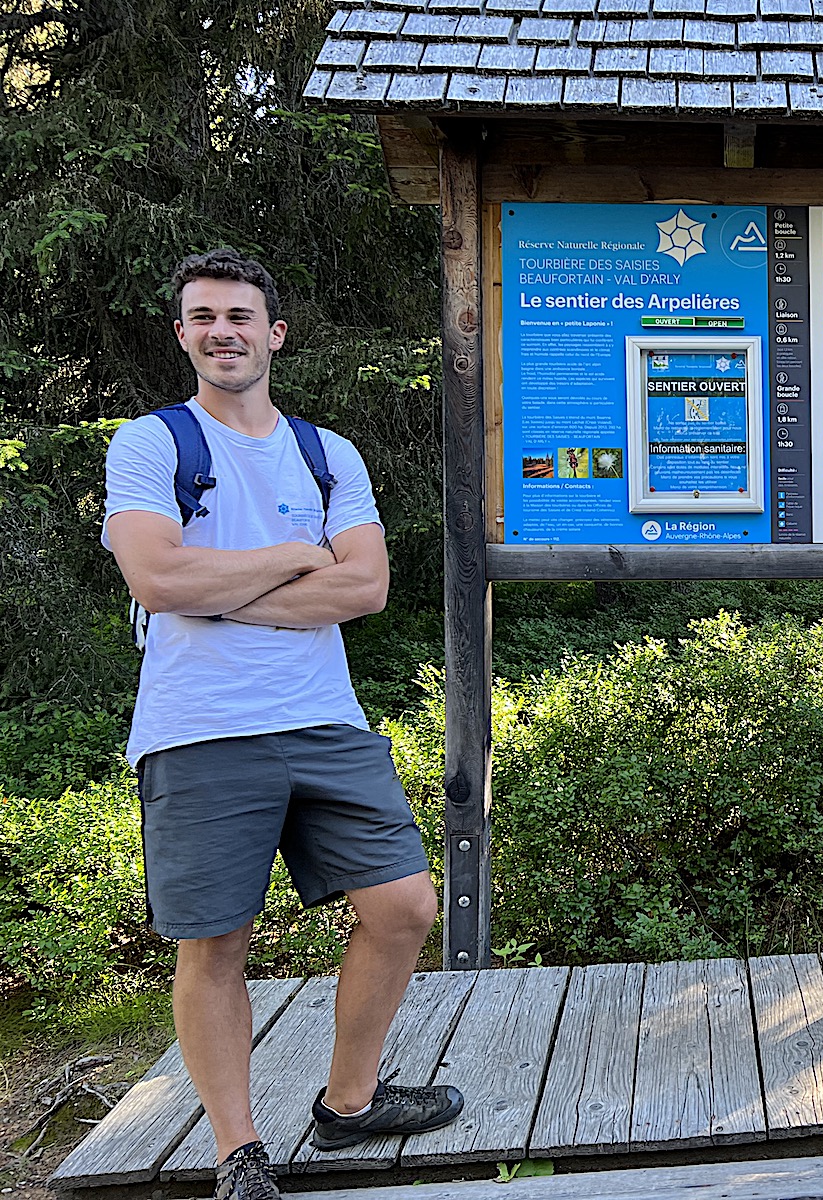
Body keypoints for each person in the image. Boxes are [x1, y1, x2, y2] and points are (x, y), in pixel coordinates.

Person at [103, 249, 463, 1200]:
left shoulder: (324, 450)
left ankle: (349, 1106)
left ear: (275, 333)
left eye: (239, 315)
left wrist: (216, 590)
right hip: (198, 727)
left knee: (403, 908)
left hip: (322, 719)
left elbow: (368, 587)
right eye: (202, 316)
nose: (222, 330)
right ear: (182, 332)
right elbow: (156, 578)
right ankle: (238, 1152)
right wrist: (295, 557)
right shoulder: (150, 444)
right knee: (216, 943)